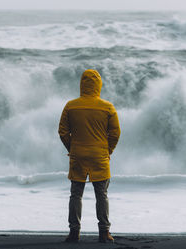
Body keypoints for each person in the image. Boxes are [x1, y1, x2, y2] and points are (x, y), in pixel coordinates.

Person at [58, 69, 121, 243]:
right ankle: (104, 233)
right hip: (99, 156)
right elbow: (115, 133)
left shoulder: (71, 106)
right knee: (102, 194)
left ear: (82, 84)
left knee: (75, 194)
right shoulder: (107, 107)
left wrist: (73, 148)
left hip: (78, 155)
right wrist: (108, 151)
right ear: (99, 85)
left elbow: (63, 131)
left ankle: (74, 232)